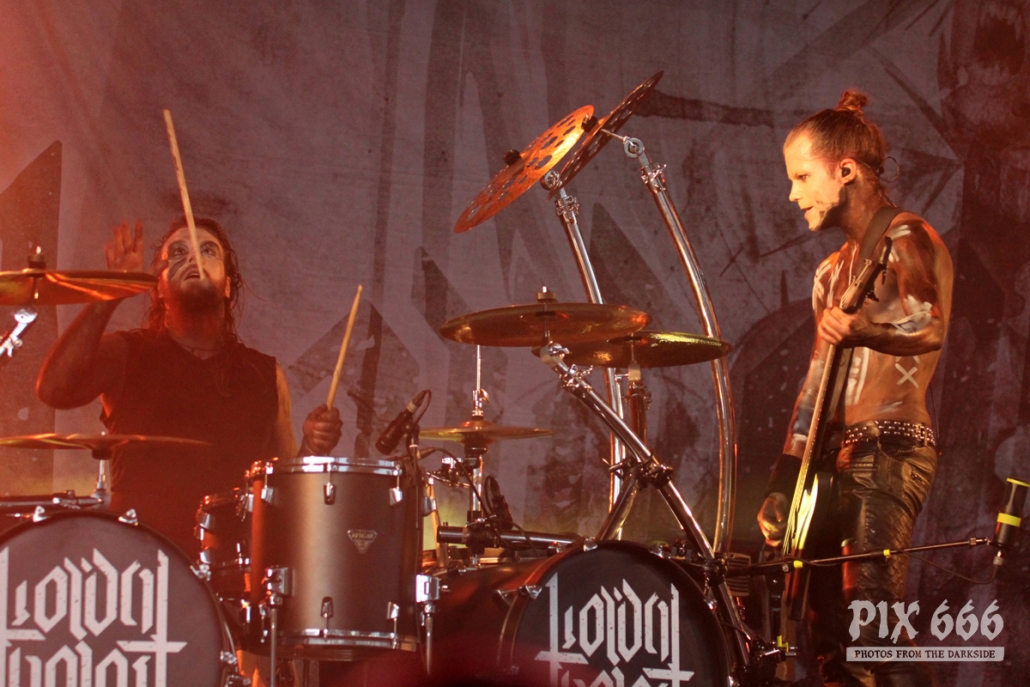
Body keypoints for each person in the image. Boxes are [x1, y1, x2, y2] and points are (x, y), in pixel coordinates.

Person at [756, 91, 952, 687]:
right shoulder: (830, 271)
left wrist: (865, 329)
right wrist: (784, 481)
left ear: (845, 171)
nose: (793, 194)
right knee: (828, 638)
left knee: (873, 628)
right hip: (826, 464)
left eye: (802, 177)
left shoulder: (907, 236)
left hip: (889, 447)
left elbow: (928, 324)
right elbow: (816, 382)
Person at [36, 216, 343, 557]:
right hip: (138, 562)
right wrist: (111, 293)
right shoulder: (125, 353)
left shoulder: (266, 374)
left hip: (229, 570)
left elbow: (285, 494)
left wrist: (313, 447)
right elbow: (53, 390)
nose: (193, 258)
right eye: (178, 253)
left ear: (227, 285)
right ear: (158, 287)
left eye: (207, 250)